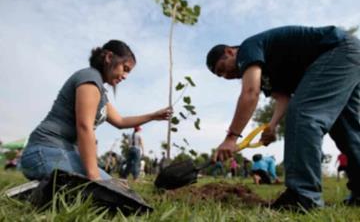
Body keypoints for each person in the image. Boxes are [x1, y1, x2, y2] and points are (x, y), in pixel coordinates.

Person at [206, 25, 360, 210]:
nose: (226, 76)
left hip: (336, 49)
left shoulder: (248, 48)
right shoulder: (268, 72)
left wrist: (231, 138)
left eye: (223, 68)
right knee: (348, 130)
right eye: (220, 76)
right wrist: (272, 126)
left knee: (304, 114)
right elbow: (283, 97)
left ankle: (303, 196)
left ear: (230, 51)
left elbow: (250, 92)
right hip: (349, 55)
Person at [20, 40, 172, 181]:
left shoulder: (100, 92)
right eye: (124, 69)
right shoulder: (90, 78)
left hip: (65, 152)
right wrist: (94, 178)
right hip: (44, 150)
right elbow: (84, 126)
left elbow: (120, 121)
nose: (125, 76)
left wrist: (153, 116)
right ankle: (36, 194)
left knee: (116, 189)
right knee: (104, 193)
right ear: (109, 57)